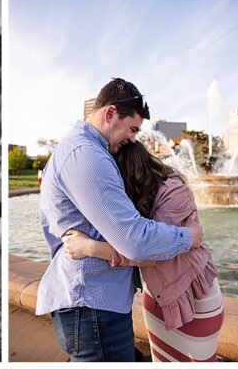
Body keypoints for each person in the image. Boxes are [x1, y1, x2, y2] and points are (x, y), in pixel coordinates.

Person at [37, 78, 202, 362]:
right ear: (110, 113)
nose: (133, 138)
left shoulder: (85, 150)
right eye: (133, 128)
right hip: (92, 305)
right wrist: (189, 237)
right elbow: (135, 241)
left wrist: (94, 248)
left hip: (93, 304)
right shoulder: (86, 155)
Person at [62, 141, 221, 361]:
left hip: (195, 297)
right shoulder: (135, 201)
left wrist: (90, 247)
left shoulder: (174, 192)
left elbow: (150, 250)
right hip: (159, 297)